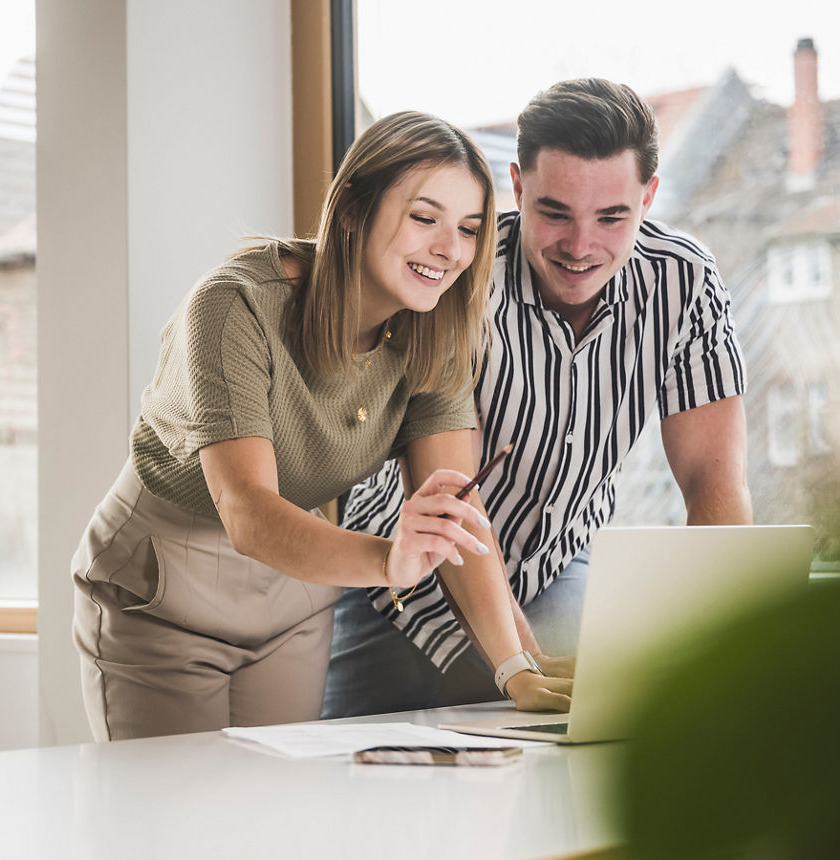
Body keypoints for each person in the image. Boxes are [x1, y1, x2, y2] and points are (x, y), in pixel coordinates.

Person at [71, 111, 571, 742]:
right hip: (164, 590)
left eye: (469, 229)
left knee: (276, 821)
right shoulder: (235, 304)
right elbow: (248, 513)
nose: (450, 250)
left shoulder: (440, 332)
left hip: (297, 599)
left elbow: (457, 517)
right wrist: (392, 560)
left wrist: (515, 669)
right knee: (175, 826)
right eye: (424, 218)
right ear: (354, 210)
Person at [323, 79, 752, 719]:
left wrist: (725, 648)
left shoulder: (683, 283)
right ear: (517, 188)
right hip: (406, 577)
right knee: (353, 785)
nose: (581, 248)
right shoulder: (460, 274)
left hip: (555, 562)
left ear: (649, 196)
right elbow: (453, 497)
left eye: (612, 217)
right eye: (555, 213)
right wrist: (523, 667)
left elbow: (712, 482)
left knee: (562, 781)